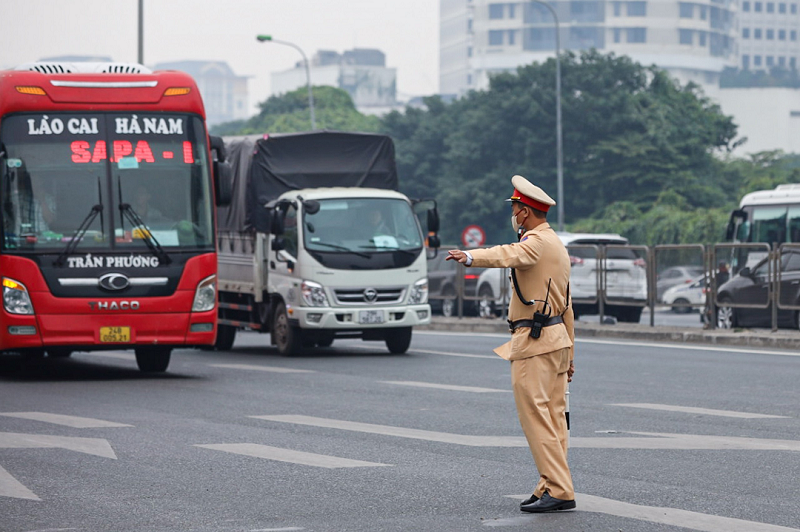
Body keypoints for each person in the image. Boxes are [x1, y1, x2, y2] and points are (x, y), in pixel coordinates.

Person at [447, 175, 576, 513]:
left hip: (535, 341)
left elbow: (510, 254)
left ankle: (559, 489)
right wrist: (571, 352)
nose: (514, 213)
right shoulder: (557, 245)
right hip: (556, 339)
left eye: (516, 208)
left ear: (526, 212)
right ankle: (549, 483)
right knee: (554, 417)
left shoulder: (536, 242)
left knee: (536, 415)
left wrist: (471, 257)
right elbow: (567, 306)